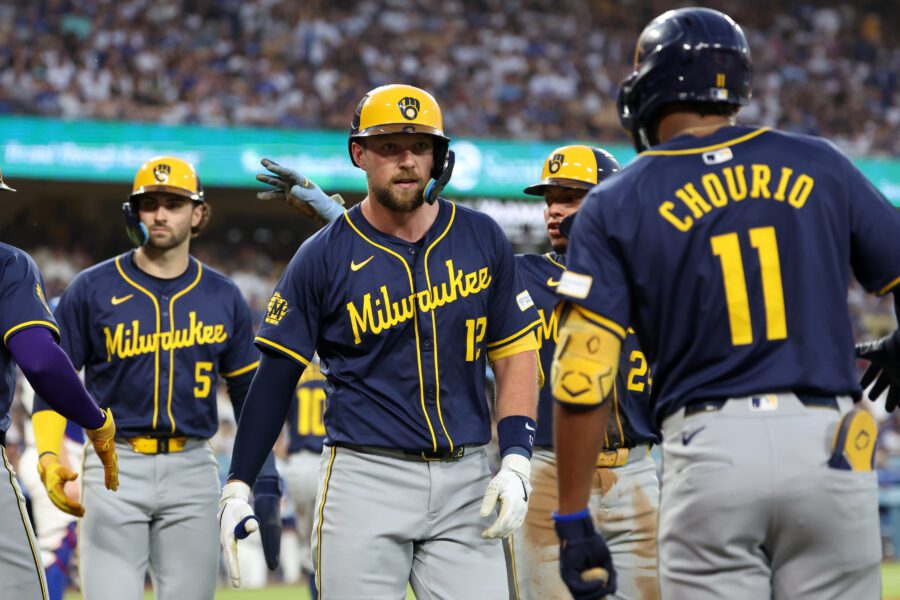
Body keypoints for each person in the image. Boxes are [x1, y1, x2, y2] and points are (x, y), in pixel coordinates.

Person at [551, 7, 900, 600]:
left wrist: (572, 516)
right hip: (831, 447)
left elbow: (582, 376)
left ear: (651, 85)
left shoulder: (616, 200)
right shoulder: (819, 161)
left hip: (709, 449)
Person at [219, 83, 541, 599]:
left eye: (420, 146)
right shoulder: (320, 256)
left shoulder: (481, 237)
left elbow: (515, 354)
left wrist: (518, 457)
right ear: (359, 154)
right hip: (364, 479)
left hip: (466, 479)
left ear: (440, 157)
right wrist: (239, 480)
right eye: (389, 146)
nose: (407, 160)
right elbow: (275, 377)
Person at [31, 156, 278, 600]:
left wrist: (266, 479)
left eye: (174, 202)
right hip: (113, 465)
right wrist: (49, 453)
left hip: (193, 468)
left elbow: (249, 395)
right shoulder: (91, 288)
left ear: (198, 213)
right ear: (133, 212)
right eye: (149, 203)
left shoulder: (224, 295)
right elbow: (52, 381)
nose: (160, 214)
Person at [515, 146, 659, 599]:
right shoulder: (521, 274)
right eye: (549, 199)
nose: (554, 209)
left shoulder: (650, 277)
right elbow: (434, 268)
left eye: (572, 196)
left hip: (638, 469)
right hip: (548, 472)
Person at [0, 165, 117, 599]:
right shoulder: (9, 265)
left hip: (46, 448)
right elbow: (42, 361)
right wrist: (97, 421)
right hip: (52, 448)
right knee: (42, 564)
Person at [282, 355, 327, 600]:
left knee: (312, 549)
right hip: (336, 459)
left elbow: (277, 416)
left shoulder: (296, 369)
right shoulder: (339, 362)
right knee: (337, 545)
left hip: (300, 463)